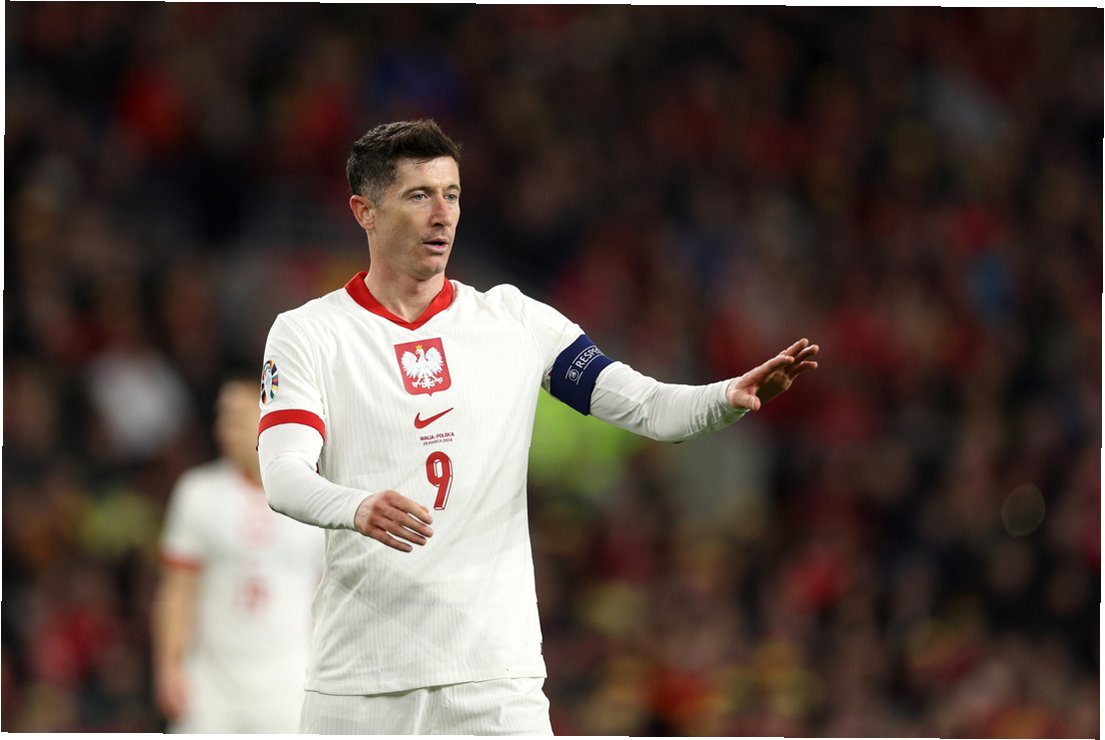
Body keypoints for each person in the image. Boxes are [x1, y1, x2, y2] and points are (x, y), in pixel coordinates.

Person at [256, 119, 819, 735]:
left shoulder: (515, 321)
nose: (442, 214)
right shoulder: (310, 333)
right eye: (419, 196)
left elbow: (645, 405)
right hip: (359, 681)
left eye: (452, 194)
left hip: (496, 681)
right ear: (364, 211)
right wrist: (357, 506)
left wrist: (725, 397)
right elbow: (283, 475)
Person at [151, 378, 325, 733]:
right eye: (223, 418)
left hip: (291, 682)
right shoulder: (198, 492)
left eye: (238, 418)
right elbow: (177, 590)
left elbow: (333, 593)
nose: (225, 429)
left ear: (270, 422)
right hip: (211, 684)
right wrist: (169, 666)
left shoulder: (314, 495)